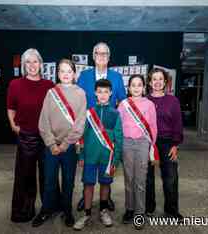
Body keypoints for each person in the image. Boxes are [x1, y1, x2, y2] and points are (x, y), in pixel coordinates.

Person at [33, 59, 87, 227]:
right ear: (58, 74)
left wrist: (64, 145)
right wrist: (51, 144)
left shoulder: (80, 93)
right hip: (51, 147)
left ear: (74, 74)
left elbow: (80, 124)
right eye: (62, 71)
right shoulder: (51, 93)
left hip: (69, 147)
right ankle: (46, 209)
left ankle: (67, 210)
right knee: (48, 180)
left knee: (69, 181)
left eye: (69, 71)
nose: (65, 74)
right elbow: (43, 121)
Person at [76, 42, 126, 211]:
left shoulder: (117, 77)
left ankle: (107, 198)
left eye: (105, 53)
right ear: (93, 56)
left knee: (107, 163)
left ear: (109, 57)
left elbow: (123, 102)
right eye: (98, 53)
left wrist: (117, 121)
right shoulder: (84, 76)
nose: (102, 56)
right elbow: (78, 101)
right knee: (89, 167)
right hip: (89, 126)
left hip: (108, 127)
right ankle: (85, 198)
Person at [7, 48, 54, 223]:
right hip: (25, 136)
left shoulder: (49, 85)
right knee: (25, 176)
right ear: (24, 65)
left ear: (41, 64)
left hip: (45, 137)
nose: (32, 65)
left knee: (47, 175)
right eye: (28, 62)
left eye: (35, 61)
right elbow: (10, 108)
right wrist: (14, 126)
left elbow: (54, 111)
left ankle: (49, 208)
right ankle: (23, 211)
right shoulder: (15, 84)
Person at [73, 79, 123, 231]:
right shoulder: (89, 113)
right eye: (99, 92)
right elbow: (82, 137)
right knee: (88, 184)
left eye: (106, 92)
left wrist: (116, 159)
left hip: (107, 158)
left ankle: (103, 211)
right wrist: (81, 156)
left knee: (105, 184)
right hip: (89, 156)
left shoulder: (115, 114)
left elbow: (119, 138)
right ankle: (86, 214)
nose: (102, 95)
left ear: (111, 93)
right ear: (95, 93)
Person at [117, 74, 158, 229]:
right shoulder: (123, 104)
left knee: (140, 179)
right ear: (129, 88)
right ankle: (129, 209)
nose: (136, 88)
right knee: (129, 178)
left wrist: (151, 146)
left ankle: (140, 212)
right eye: (133, 85)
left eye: (139, 84)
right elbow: (118, 126)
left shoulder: (149, 104)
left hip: (142, 144)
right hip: (127, 143)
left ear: (143, 87)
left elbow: (153, 127)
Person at [145, 68, 183, 221]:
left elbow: (178, 124)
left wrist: (175, 145)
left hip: (168, 143)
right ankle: (148, 207)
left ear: (165, 82)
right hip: (148, 143)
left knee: (171, 177)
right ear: (149, 82)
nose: (157, 82)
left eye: (161, 79)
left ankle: (172, 210)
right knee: (147, 177)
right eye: (154, 79)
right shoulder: (144, 100)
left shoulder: (173, 101)